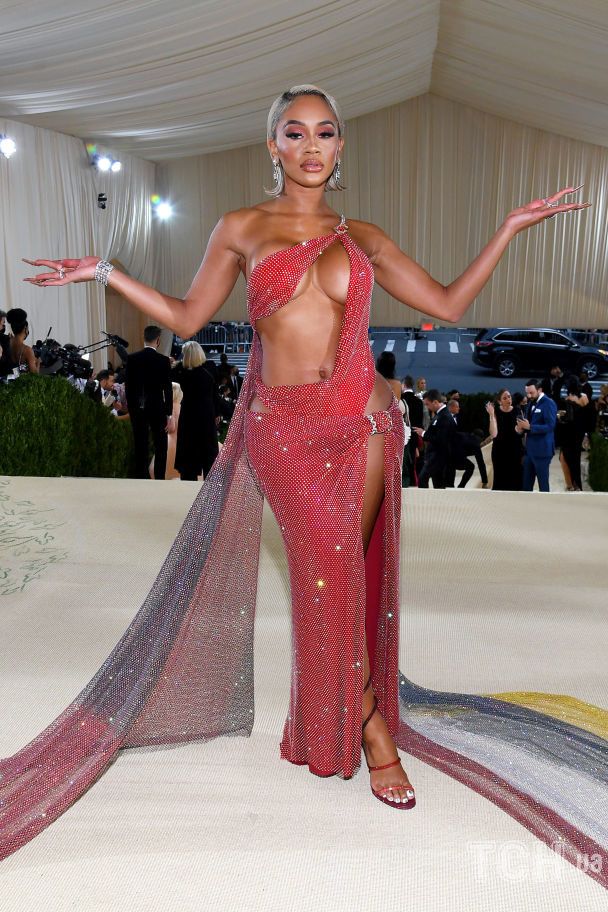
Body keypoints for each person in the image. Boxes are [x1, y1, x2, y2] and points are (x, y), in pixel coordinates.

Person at [15, 84, 592, 855]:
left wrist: (509, 230)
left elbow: (450, 304)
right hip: (285, 434)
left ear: (340, 146)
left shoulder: (365, 237)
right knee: (326, 571)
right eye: (296, 132)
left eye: (325, 132)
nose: (311, 146)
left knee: (344, 574)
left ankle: (339, 718)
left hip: (364, 426)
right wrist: (103, 272)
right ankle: (368, 721)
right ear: (273, 145)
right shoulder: (242, 228)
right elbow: (186, 317)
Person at [125, 325, 173, 480]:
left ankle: (141, 477)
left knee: (140, 444)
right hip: (157, 407)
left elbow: (128, 387)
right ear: (158, 340)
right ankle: (159, 478)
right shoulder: (163, 361)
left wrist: (131, 408)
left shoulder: (132, 358)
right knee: (161, 445)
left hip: (137, 408)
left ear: (144, 338)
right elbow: (168, 390)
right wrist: (169, 413)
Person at [172, 341, 220, 481]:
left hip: (189, 415)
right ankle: (210, 485)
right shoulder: (209, 369)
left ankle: (188, 482)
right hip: (206, 414)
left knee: (189, 451)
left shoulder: (181, 372)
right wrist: (217, 413)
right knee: (208, 451)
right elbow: (215, 393)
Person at [518, 378, 558, 492]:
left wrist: (530, 427)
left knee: (543, 486)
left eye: (531, 393)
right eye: (527, 393)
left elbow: (550, 426)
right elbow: (528, 423)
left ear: (540, 390)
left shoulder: (549, 403)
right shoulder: (530, 402)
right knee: (526, 486)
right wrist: (521, 428)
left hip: (542, 451)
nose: (528, 396)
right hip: (529, 451)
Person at [416, 390, 456, 489]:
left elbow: (440, 439)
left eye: (427, 404)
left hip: (438, 456)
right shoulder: (440, 414)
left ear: (435, 402)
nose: (427, 407)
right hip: (436, 456)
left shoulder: (444, 416)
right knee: (438, 485)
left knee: (423, 479)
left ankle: (424, 499)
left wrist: (423, 433)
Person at [486, 389, 523, 490]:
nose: (508, 399)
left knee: (516, 480)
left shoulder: (517, 410)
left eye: (509, 397)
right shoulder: (496, 412)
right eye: (505, 398)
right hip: (499, 451)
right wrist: (491, 415)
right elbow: (494, 434)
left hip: (515, 450)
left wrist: (520, 429)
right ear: (499, 401)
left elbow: (520, 432)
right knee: (500, 480)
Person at [557, 376, 589, 491]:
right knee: (572, 458)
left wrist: (560, 416)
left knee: (565, 457)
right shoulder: (584, 397)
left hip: (570, 433)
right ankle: (574, 485)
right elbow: (586, 416)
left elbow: (567, 418)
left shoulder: (568, 399)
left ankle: (571, 485)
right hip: (578, 432)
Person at [4, 308, 39, 374]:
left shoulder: (5, 342)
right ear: (25, 328)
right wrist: (38, 363)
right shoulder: (27, 350)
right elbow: (35, 375)